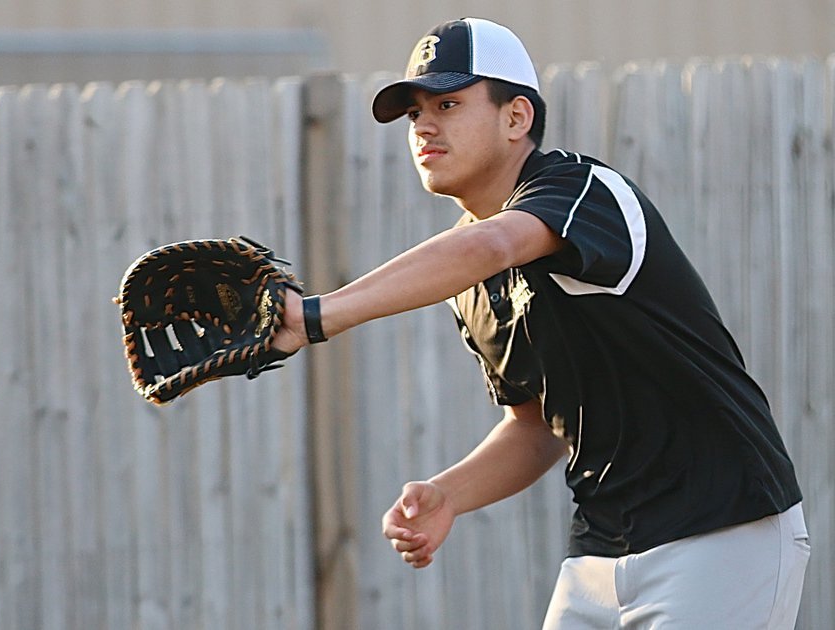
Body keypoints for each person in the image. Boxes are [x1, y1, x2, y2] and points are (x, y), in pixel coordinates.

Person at [271, 17, 809, 629]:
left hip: (723, 531)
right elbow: (535, 426)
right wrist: (451, 493)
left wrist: (318, 315)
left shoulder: (583, 190)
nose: (423, 124)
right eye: (414, 110)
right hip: (600, 553)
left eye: (448, 103)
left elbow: (495, 244)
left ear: (516, 117)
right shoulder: (465, 272)